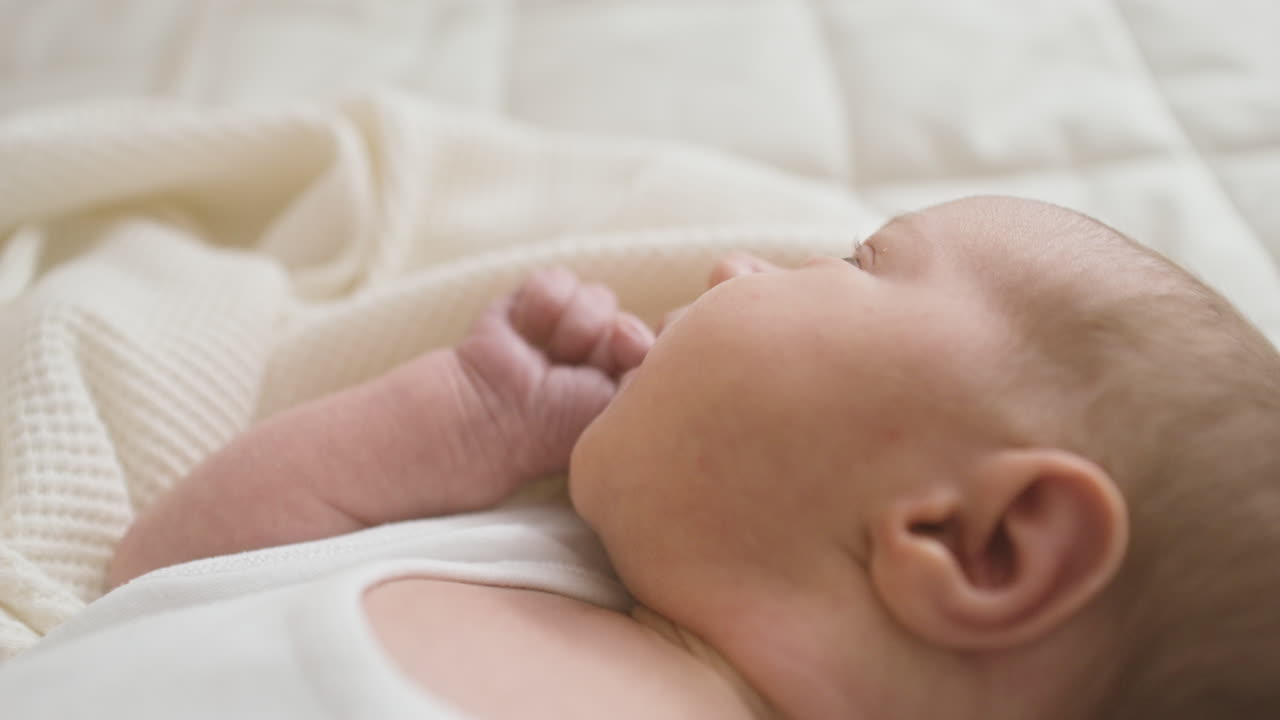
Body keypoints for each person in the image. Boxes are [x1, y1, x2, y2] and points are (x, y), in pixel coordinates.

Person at [4, 196, 1278, 719]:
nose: (734, 264)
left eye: (855, 262)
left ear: (971, 543)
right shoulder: (537, 552)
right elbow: (157, 567)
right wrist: (457, 418)